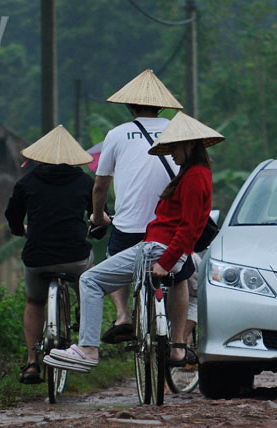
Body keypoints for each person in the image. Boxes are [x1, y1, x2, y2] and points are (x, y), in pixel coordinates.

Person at [44, 112, 223, 371]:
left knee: (89, 280)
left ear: (190, 144)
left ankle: (88, 348)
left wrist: (167, 260)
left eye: (174, 147)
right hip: (157, 248)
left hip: (156, 250)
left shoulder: (195, 177)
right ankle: (174, 345)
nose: (171, 153)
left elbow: (190, 225)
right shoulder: (193, 173)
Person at [90, 69, 193, 344]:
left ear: (129, 105)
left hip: (129, 227)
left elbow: (100, 186)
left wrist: (99, 215)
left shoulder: (117, 134)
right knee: (179, 276)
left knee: (113, 259)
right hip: (170, 228)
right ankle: (179, 343)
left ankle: (123, 315)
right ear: (161, 105)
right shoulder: (178, 132)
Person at [4, 125, 97, 384]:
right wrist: (94, 230)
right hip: (75, 256)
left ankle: (32, 363)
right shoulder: (84, 181)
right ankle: (81, 321)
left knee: (34, 302)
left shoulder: (27, 182)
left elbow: (12, 215)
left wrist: (18, 230)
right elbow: (97, 215)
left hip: (37, 257)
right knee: (87, 278)